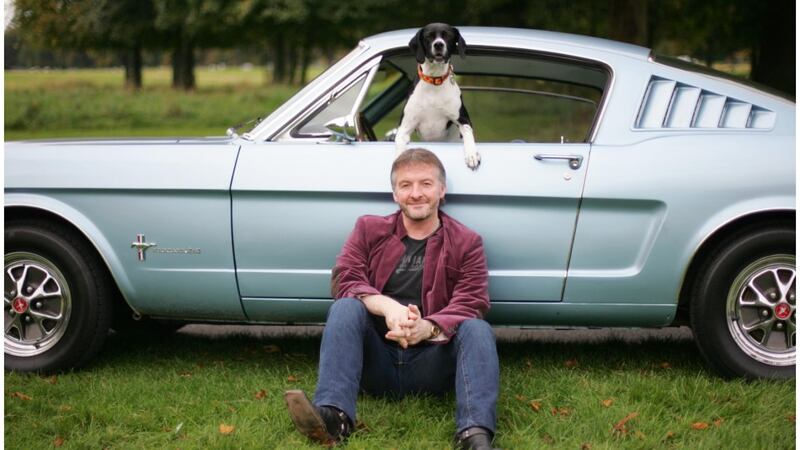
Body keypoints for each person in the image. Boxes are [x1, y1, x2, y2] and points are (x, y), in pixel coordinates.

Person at [284, 148, 499, 450]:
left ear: (441, 189)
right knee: (346, 307)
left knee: (477, 329)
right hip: (376, 360)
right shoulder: (369, 229)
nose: (416, 193)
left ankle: (474, 435)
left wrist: (427, 327)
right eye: (405, 185)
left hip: (431, 362)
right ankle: (334, 418)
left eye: (426, 183)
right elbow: (345, 277)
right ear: (395, 194)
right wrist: (387, 306)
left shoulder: (466, 241)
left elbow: (472, 300)